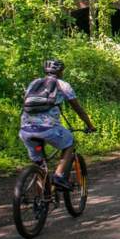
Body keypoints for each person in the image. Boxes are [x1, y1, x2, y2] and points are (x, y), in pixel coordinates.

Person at [19, 59, 95, 190]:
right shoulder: (63, 85)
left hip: (26, 129)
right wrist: (89, 125)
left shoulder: (34, 83)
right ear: (60, 72)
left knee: (39, 166)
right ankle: (58, 176)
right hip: (48, 128)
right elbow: (78, 109)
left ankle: (42, 200)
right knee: (70, 142)